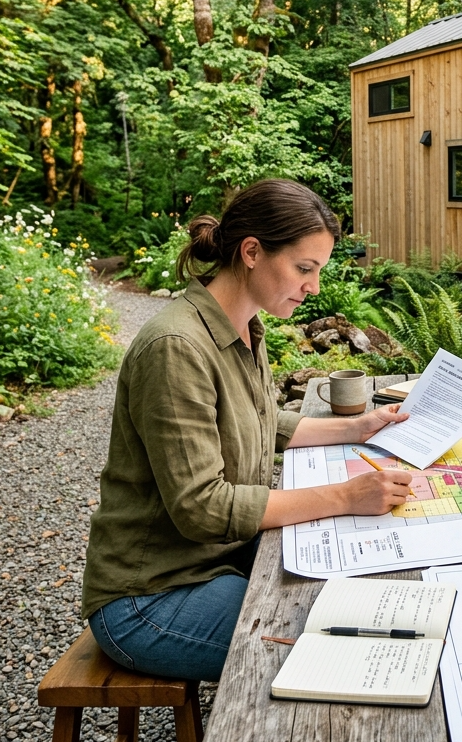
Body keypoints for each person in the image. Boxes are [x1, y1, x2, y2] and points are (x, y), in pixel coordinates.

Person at [81, 179, 411, 681]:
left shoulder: (245, 328)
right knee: (347, 641)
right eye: (304, 268)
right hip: (150, 596)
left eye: (317, 271)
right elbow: (202, 507)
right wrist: (345, 495)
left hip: (217, 560)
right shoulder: (176, 346)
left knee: (359, 591)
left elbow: (262, 421)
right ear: (252, 251)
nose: (314, 287)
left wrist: (360, 428)